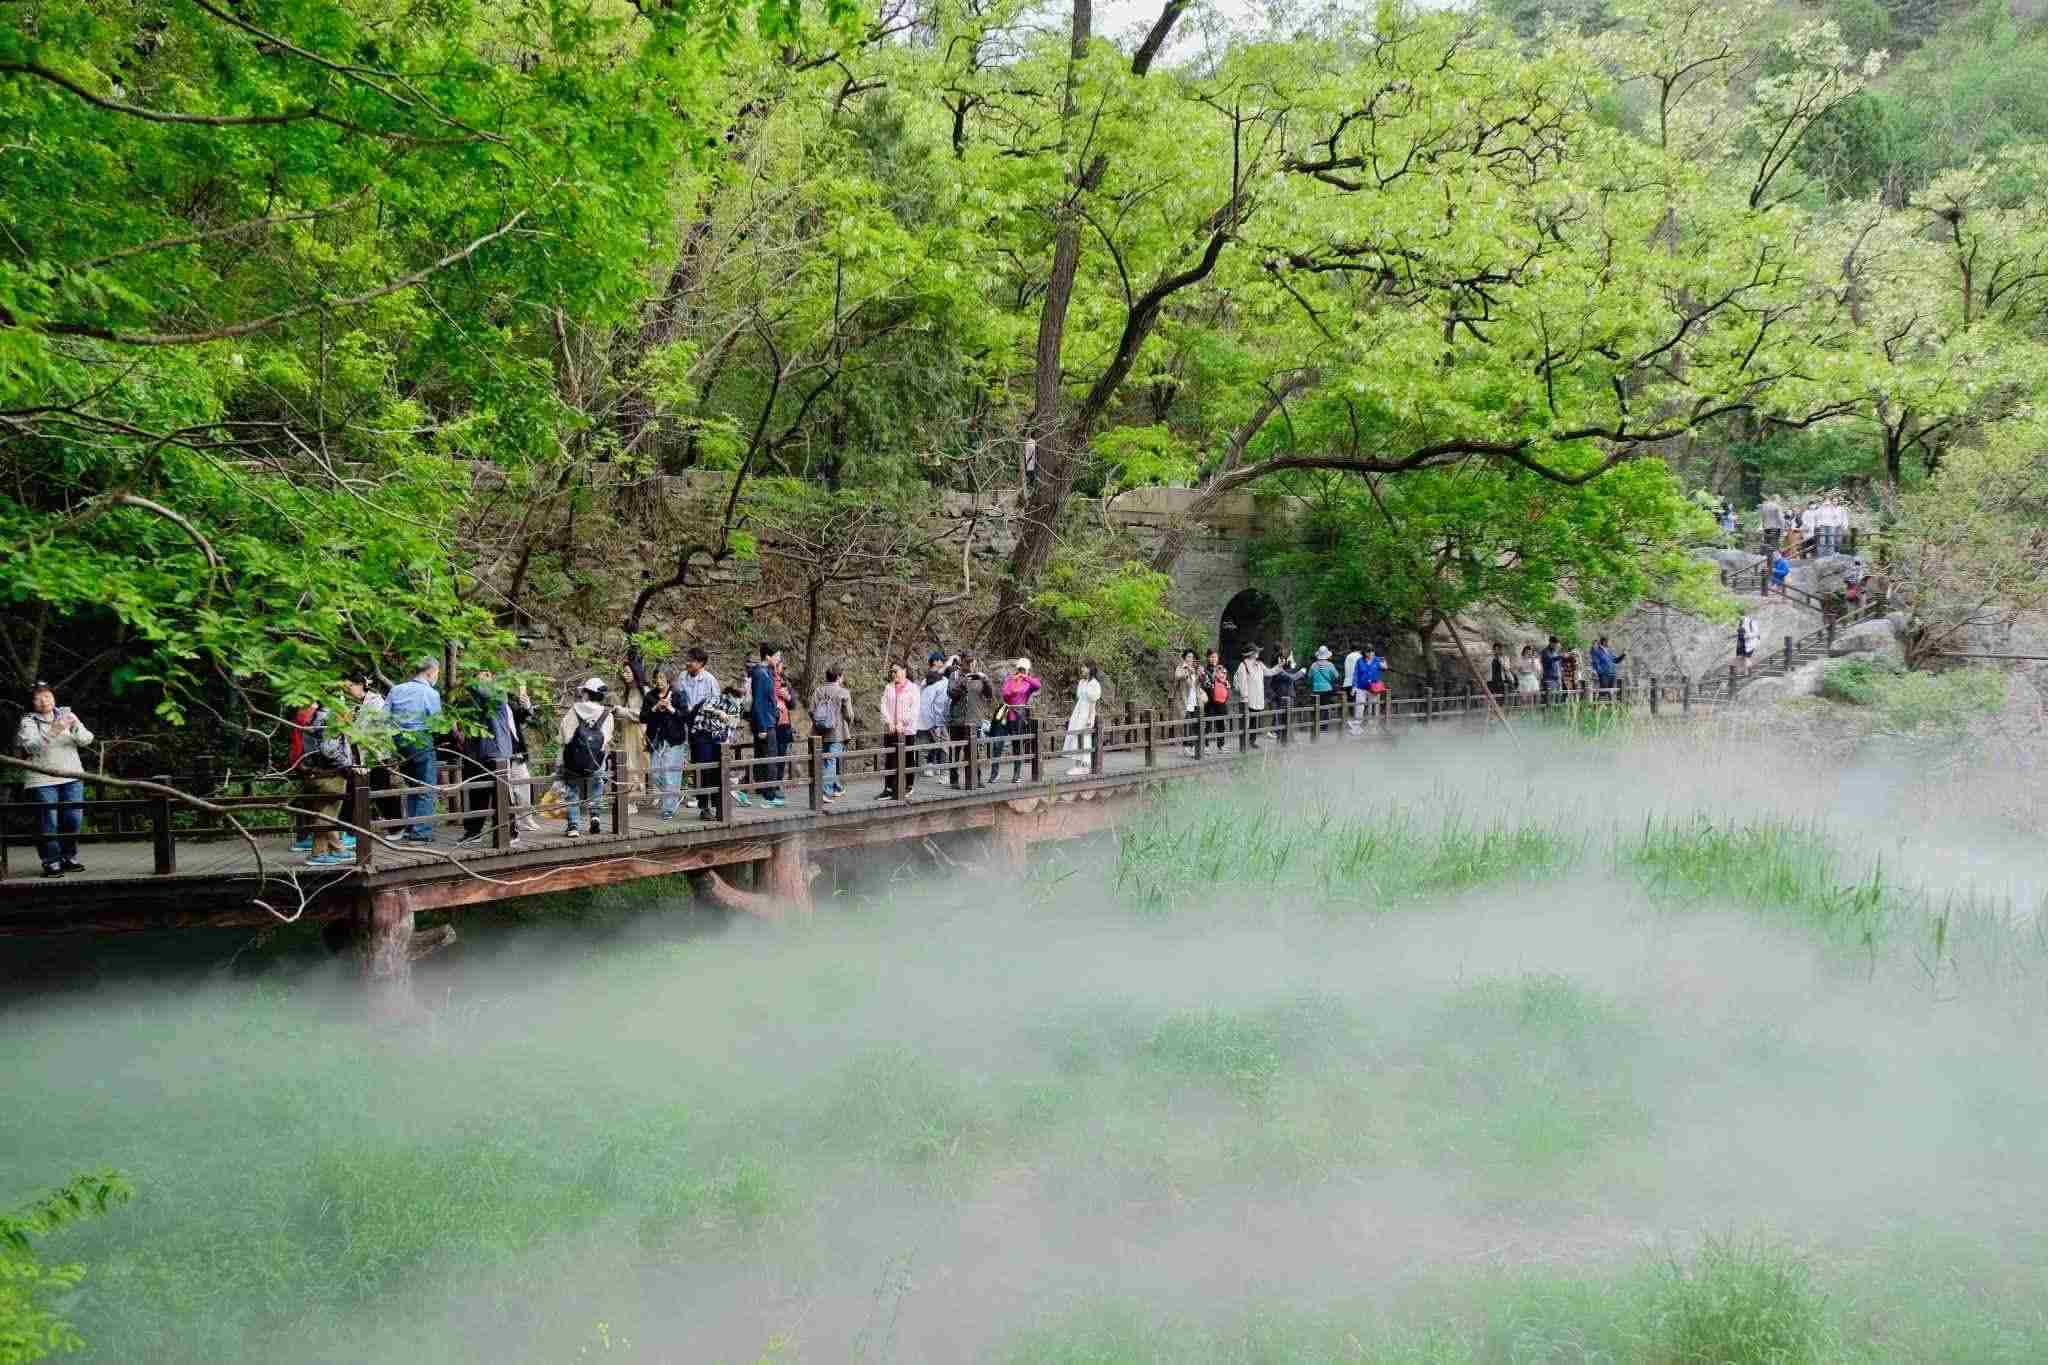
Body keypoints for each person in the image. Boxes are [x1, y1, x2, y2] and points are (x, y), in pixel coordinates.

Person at [16, 682, 94, 877]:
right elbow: (31, 747)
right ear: (32, 702)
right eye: (38, 698)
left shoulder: (66, 715)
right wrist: (54, 730)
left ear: (53, 697)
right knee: (47, 822)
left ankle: (68, 857)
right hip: (41, 779)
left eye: (48, 696)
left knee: (73, 820)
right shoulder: (28, 721)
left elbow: (86, 740)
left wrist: (75, 725)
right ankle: (51, 861)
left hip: (72, 775)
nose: (44, 701)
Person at [293, 681, 358, 866]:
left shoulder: (314, 715)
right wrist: (346, 764)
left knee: (324, 811)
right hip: (330, 773)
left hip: (315, 771)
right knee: (326, 813)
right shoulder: (331, 717)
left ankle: (335, 849)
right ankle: (318, 854)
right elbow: (329, 749)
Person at [458, 671, 519, 847]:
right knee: (476, 794)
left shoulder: (498, 693)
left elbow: (481, 689)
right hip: (475, 754)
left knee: (502, 794)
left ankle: (510, 832)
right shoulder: (472, 700)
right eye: (478, 675)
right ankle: (473, 832)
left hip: (497, 753)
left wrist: (470, 680)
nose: (481, 678)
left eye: (485, 675)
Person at [386, 657, 443, 842]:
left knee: (412, 785)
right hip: (420, 739)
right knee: (426, 786)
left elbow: (383, 717)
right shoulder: (430, 693)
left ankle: (412, 827)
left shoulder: (396, 689)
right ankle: (421, 832)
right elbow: (437, 723)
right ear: (430, 672)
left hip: (398, 741)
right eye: (437, 673)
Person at [558, 677, 613, 836]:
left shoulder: (574, 710)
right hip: (596, 760)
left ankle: (574, 826)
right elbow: (606, 738)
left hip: (574, 759)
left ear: (587, 693)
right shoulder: (607, 714)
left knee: (572, 789)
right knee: (597, 785)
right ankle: (595, 816)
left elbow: (565, 735)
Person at [676, 647, 723, 819]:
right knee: (699, 767)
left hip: (707, 729)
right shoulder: (682, 677)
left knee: (711, 766)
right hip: (691, 728)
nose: (687, 663)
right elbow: (678, 699)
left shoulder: (710, 680)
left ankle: (716, 805)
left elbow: (717, 704)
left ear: (701, 663)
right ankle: (704, 806)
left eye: (691, 660)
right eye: (687, 659)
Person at [642, 667, 688, 819]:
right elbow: (643, 717)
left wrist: (670, 708)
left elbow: (685, 716)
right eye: (657, 678)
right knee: (655, 773)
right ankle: (673, 795)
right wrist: (655, 708)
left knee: (670, 774)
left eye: (662, 677)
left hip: (674, 740)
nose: (659, 681)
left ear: (668, 678)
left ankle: (669, 808)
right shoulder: (650, 696)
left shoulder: (678, 695)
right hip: (656, 739)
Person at [746, 644, 785, 808]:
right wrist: (762, 726)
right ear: (768, 657)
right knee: (770, 757)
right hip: (765, 722)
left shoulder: (766, 672)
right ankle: (769, 793)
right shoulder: (760, 673)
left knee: (766, 756)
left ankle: (766, 790)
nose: (779, 660)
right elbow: (759, 702)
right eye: (777, 656)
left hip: (768, 719)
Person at [991, 658, 1041, 783]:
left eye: (1023, 669)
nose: (1021, 671)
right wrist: (1015, 683)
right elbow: (1005, 693)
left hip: (1018, 715)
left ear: (1027, 670)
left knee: (1017, 745)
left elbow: (1037, 685)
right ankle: (994, 773)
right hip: (1005, 713)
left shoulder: (1029, 682)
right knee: (997, 743)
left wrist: (1025, 677)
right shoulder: (1010, 679)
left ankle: (1017, 774)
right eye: (1020, 669)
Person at [877, 663, 921, 800]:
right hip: (891, 730)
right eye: (892, 671)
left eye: (896, 671)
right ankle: (889, 788)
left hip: (906, 730)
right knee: (890, 759)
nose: (893, 674)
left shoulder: (912, 688)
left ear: (904, 670)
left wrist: (902, 722)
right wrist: (889, 722)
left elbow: (914, 709)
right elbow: (883, 706)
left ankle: (908, 785)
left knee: (908, 758)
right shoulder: (888, 687)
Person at [948, 655, 991, 788]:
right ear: (963, 663)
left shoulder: (980, 677)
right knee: (955, 751)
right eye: (968, 663)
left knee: (973, 751)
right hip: (958, 720)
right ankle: (954, 780)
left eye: (973, 663)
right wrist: (962, 682)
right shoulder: (955, 675)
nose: (971, 666)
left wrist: (986, 680)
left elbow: (989, 695)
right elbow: (950, 693)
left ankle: (976, 778)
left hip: (974, 720)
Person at [614, 665, 648, 816]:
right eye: (624, 672)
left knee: (637, 766)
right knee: (628, 765)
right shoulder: (629, 691)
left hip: (640, 733)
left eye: (628, 671)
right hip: (627, 732)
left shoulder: (644, 691)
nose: (624, 674)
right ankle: (630, 799)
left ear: (636, 672)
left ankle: (633, 801)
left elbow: (645, 714)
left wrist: (625, 711)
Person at [507, 680, 540, 833]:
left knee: (524, 783)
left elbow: (523, 717)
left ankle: (526, 818)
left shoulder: (509, 699)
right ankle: (512, 821)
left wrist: (526, 706)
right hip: (499, 753)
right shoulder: (486, 701)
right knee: (506, 789)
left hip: (516, 751)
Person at [1063, 660, 1102, 776]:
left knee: (1083, 738)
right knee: (1075, 737)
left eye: (1084, 667)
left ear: (1090, 669)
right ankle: (1078, 764)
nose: (1082, 669)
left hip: (1086, 713)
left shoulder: (1094, 684)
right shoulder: (1082, 682)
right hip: (1078, 711)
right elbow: (1080, 698)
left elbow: (1092, 703)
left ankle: (1083, 765)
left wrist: (1090, 718)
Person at [919, 653, 954, 780]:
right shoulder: (932, 678)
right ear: (935, 661)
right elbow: (938, 701)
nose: (943, 663)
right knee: (944, 742)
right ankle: (944, 773)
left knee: (931, 741)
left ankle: (930, 766)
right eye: (941, 661)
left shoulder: (931, 679)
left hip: (928, 717)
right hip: (934, 717)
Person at [1233, 646, 1268, 748]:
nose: (1258, 653)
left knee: (1255, 721)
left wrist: (1279, 666)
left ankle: (1252, 741)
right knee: (1246, 721)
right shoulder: (1243, 665)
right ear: (1251, 653)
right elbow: (1242, 682)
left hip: (1258, 697)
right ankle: (1244, 743)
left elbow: (1269, 672)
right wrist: (1244, 696)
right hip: (1248, 698)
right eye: (1256, 651)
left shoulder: (1259, 664)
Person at [1200, 648, 1231, 751]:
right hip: (1210, 699)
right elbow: (1204, 685)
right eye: (1211, 657)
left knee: (1221, 723)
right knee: (1208, 723)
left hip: (1221, 700)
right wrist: (1212, 678)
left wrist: (1226, 683)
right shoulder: (1205, 670)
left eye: (1215, 657)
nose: (1214, 659)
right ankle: (1205, 745)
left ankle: (1221, 745)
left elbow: (1227, 683)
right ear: (1208, 658)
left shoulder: (1222, 669)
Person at [1173, 649, 1203, 754]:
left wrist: (1200, 674)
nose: (1191, 659)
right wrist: (1187, 672)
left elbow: (1199, 683)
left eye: (1192, 657)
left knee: (1194, 724)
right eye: (1189, 656)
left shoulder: (1196, 668)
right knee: (1187, 724)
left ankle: (1192, 746)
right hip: (1185, 700)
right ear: (1184, 658)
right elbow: (1177, 676)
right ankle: (1186, 747)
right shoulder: (1181, 667)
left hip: (1195, 699)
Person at [1266, 651, 1300, 739]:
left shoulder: (1281, 670)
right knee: (1282, 715)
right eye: (1283, 659)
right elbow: (1292, 676)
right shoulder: (1279, 671)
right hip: (1283, 695)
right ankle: (1278, 733)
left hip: (1284, 695)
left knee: (1284, 715)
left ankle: (1283, 734)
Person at [1353, 646, 1385, 723]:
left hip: (1374, 688)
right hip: (1361, 687)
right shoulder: (1359, 661)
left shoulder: (1378, 659)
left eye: (1372, 651)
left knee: (1373, 706)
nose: (1371, 653)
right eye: (1368, 651)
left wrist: (1382, 662)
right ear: (1364, 653)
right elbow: (1356, 674)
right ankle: (1357, 724)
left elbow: (1384, 668)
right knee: (1359, 706)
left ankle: (1373, 725)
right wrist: (1354, 686)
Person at [1341, 645, 1364, 735]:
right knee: (1358, 705)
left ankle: (1350, 724)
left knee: (1350, 704)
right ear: (1360, 650)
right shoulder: (1360, 657)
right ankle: (1355, 727)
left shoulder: (1348, 657)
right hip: (1356, 683)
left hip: (1347, 682)